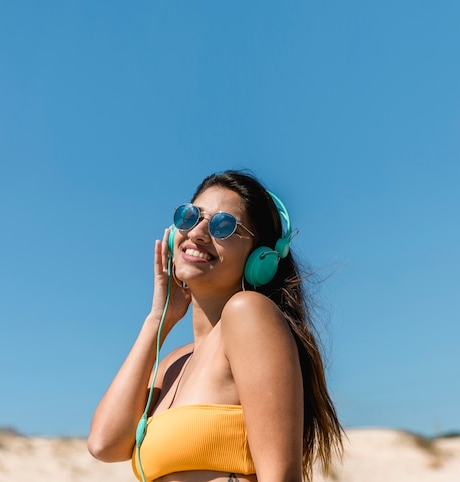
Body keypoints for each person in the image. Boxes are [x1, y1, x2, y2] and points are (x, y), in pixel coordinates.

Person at [88, 170, 343, 482]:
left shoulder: (248, 314)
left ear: (261, 257)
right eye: (190, 216)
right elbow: (105, 444)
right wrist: (158, 319)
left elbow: (281, 477)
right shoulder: (173, 363)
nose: (197, 231)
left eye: (224, 226)